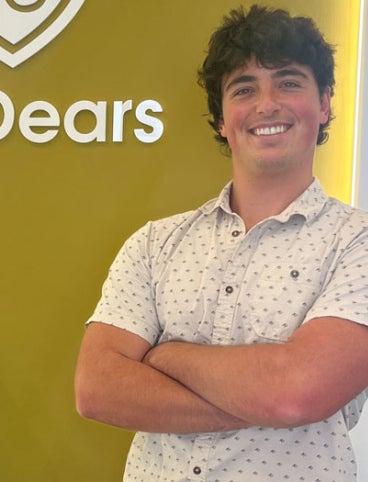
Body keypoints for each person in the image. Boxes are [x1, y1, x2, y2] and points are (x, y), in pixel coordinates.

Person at [74, 5, 368, 481]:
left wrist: (165, 357)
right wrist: (262, 395)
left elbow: (296, 394)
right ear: (220, 119)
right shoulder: (154, 244)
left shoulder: (358, 244)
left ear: (325, 102)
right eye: (244, 88)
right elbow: (97, 389)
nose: (266, 104)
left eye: (289, 82)